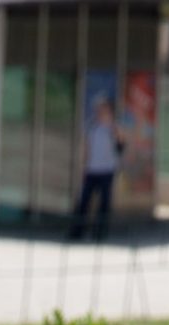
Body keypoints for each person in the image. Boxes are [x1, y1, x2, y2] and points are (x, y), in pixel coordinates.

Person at [69, 96, 122, 242]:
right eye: (99, 109)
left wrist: (114, 129)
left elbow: (121, 145)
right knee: (84, 201)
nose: (100, 112)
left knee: (104, 203)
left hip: (107, 170)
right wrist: (84, 166)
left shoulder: (113, 127)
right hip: (91, 169)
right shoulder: (91, 126)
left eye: (104, 109)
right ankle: (77, 231)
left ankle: (100, 232)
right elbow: (86, 147)